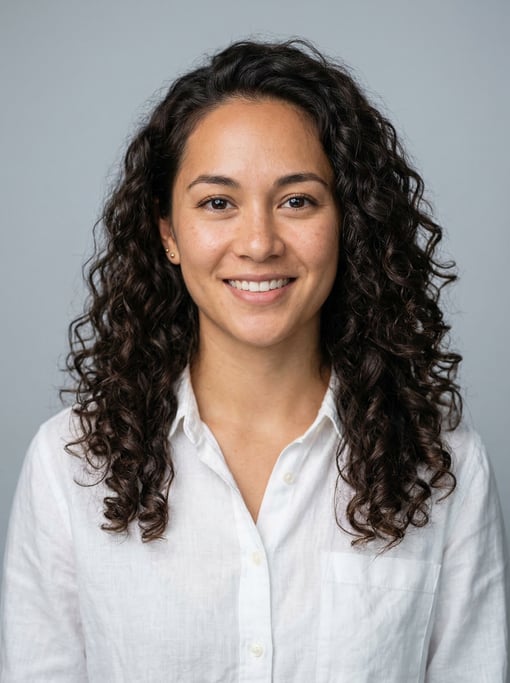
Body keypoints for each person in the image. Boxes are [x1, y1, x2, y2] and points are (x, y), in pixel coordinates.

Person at [0, 38, 507, 682]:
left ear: (347, 222)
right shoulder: (68, 465)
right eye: (218, 202)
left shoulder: (445, 469)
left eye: (297, 200)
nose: (260, 242)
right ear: (168, 235)